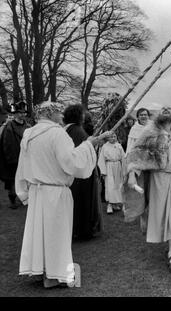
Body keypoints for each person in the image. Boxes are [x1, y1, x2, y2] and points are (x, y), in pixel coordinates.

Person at [15, 101, 111, 288]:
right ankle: (54, 276)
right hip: (55, 192)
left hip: (37, 191)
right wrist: (89, 145)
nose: (62, 116)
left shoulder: (29, 134)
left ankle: (40, 269)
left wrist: (23, 191)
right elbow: (72, 163)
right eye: (59, 112)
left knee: (41, 232)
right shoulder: (57, 133)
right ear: (50, 114)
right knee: (56, 234)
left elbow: (22, 165)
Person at [125, 106, 171, 272]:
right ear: (159, 117)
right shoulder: (151, 132)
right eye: (164, 112)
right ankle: (160, 236)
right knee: (158, 214)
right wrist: (132, 173)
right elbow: (137, 154)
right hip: (159, 178)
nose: (167, 112)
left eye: (170, 113)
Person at [64, 105, 103, 240]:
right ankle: (83, 230)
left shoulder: (67, 129)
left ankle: (77, 228)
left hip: (74, 173)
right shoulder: (78, 131)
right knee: (83, 201)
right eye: (82, 114)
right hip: (82, 174)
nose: (84, 116)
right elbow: (84, 151)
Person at [0, 101, 29, 209]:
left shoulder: (28, 127)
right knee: (12, 181)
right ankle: (12, 201)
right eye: (20, 112)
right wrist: (12, 159)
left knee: (25, 180)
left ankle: (24, 199)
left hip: (26, 158)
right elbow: (7, 144)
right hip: (14, 159)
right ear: (15, 113)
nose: (22, 115)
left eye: (24, 112)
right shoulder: (9, 127)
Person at [98, 132, 126, 214]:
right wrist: (103, 171)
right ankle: (109, 205)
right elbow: (101, 159)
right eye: (111, 137)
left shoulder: (119, 146)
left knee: (118, 185)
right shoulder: (104, 147)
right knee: (110, 185)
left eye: (114, 136)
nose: (113, 138)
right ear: (107, 138)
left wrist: (124, 170)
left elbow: (123, 158)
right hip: (109, 166)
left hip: (118, 166)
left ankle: (117, 204)